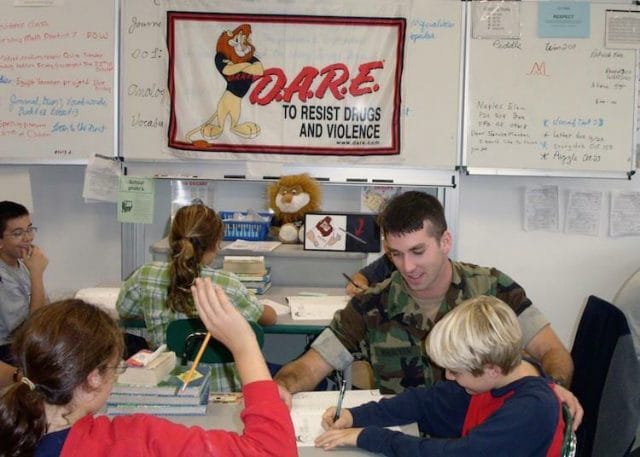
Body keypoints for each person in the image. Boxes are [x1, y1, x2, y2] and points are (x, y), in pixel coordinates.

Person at [275, 191, 581, 426]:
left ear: (445, 241)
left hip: (483, 436)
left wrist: (550, 389)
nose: (408, 267)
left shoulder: (494, 289)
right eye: (396, 254)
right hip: (402, 435)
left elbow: (554, 353)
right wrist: (281, 388)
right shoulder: (371, 305)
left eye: (418, 251)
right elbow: (309, 367)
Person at [0, 278, 297, 457]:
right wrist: (244, 345)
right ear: (93, 379)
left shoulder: (12, 431)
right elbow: (272, 452)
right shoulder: (132, 440)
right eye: (115, 370)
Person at [314, 296, 568, 456]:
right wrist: (354, 416)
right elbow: (424, 402)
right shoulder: (489, 381)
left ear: (491, 368)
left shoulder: (530, 409)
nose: (448, 377)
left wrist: (369, 436)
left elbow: (457, 453)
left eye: (456, 372)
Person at [116, 203, 277, 391]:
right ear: (216, 245)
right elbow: (266, 318)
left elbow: (125, 311)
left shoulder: (146, 275)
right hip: (223, 392)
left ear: (171, 241)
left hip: (168, 386)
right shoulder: (227, 284)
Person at [0, 201, 48, 364]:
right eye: (17, 233)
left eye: (29, 229)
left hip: (25, 344)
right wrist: (37, 275)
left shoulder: (19, 263)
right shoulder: (3, 277)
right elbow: (29, 330)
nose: (28, 238)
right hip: (9, 351)